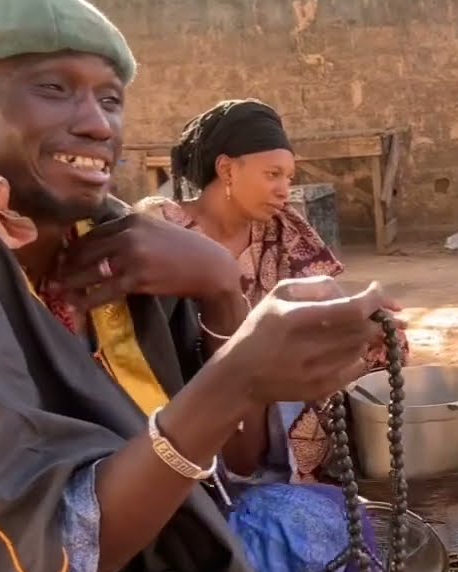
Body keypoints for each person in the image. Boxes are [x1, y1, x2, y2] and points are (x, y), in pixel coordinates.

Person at [0, 1, 400, 572]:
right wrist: (236, 376)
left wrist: (221, 290)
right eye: (53, 89)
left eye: (109, 98)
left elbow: (239, 469)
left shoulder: (112, 241)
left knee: (318, 528)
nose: (96, 123)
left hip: (138, 566)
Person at [134, 99, 409, 483]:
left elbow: (315, 301)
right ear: (227, 168)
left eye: (289, 178)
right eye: (273, 174)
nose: (283, 190)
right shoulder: (162, 224)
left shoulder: (280, 229)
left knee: (381, 344)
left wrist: (359, 324)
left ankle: (301, 476)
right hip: (185, 385)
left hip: (266, 378)